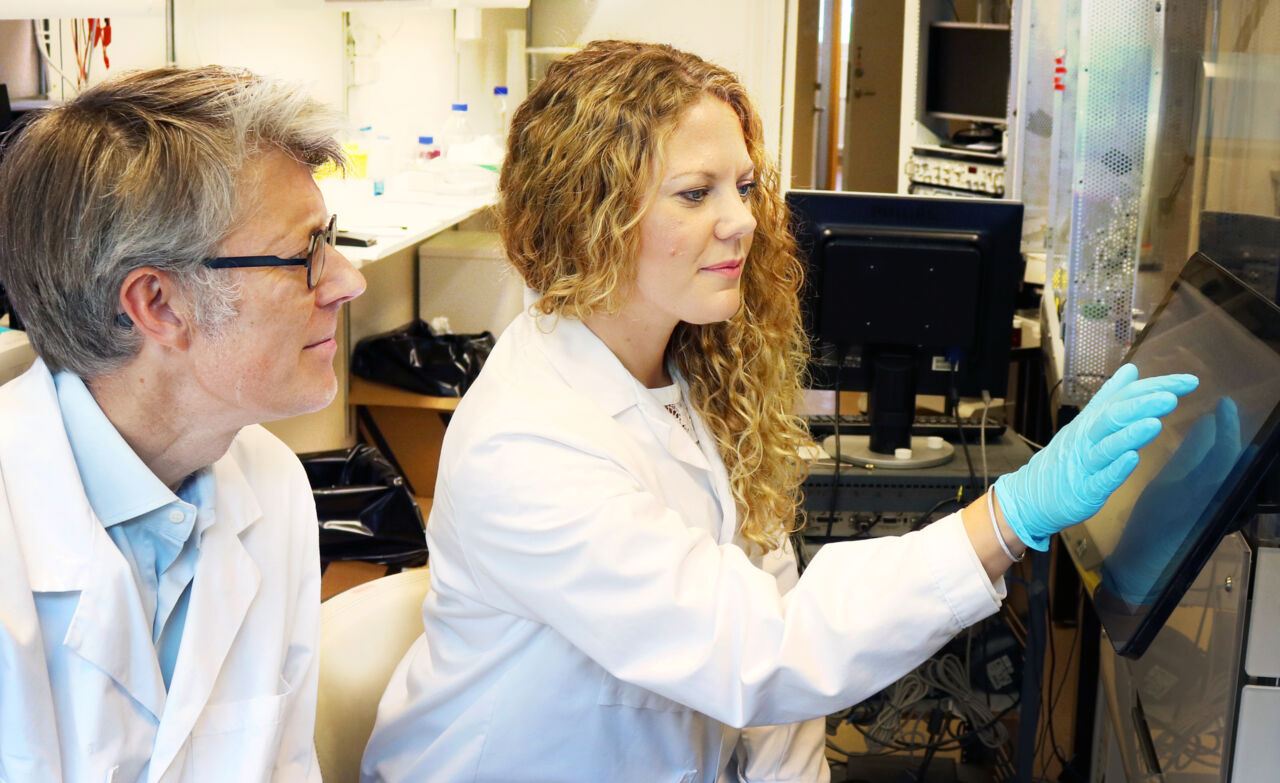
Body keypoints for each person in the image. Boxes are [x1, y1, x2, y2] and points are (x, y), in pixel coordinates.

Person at [360, 41, 1197, 783]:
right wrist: (1005, 518)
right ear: (587, 217)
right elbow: (759, 652)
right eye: (694, 193)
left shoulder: (686, 373)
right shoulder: (531, 441)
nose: (743, 221)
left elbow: (770, 620)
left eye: (746, 186)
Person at [0, 66, 366, 782]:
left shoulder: (272, 483)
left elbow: (285, 764)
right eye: (306, 255)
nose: (347, 280)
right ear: (159, 305)